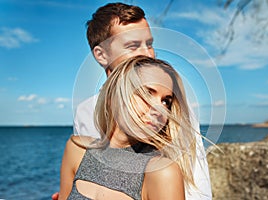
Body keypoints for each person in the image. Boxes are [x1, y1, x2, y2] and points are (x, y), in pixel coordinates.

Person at [53, 2, 212, 200]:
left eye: (150, 44)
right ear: (101, 55)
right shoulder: (86, 111)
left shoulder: (173, 111)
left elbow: (198, 187)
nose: (148, 54)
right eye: (133, 46)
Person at [59, 55, 198, 200]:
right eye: (147, 94)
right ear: (114, 96)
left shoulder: (161, 172)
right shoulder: (77, 149)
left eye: (166, 102)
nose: (160, 110)